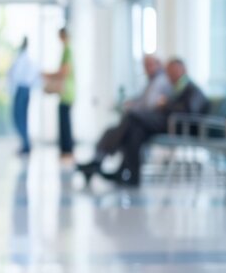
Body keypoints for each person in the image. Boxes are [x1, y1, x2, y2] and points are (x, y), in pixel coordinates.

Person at [77, 58, 209, 186]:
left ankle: (102, 160)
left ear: (182, 69)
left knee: (132, 116)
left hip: (176, 126)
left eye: (172, 70)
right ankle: (129, 175)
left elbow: (189, 111)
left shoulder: (192, 89)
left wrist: (165, 105)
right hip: (167, 122)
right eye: (168, 71)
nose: (169, 74)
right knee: (135, 131)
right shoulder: (176, 88)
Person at [90, 55, 173, 162]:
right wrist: (131, 103)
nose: (148, 68)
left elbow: (149, 104)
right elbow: (142, 100)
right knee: (123, 131)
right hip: (145, 121)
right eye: (146, 66)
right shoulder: (151, 82)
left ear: (158, 65)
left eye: (151, 65)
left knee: (130, 119)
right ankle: (114, 165)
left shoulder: (161, 81)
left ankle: (105, 155)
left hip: (154, 121)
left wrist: (133, 107)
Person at [43, 28, 75, 161]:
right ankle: (65, 151)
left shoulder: (68, 50)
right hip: (66, 93)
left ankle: (67, 151)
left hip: (67, 92)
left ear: (63, 36)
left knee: (65, 123)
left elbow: (64, 71)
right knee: (63, 121)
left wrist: (48, 75)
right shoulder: (66, 50)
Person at [7, 37, 41, 155]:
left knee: (19, 118)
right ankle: (25, 145)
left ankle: (26, 145)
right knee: (22, 118)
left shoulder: (23, 58)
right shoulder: (26, 58)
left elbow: (15, 75)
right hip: (25, 89)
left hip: (21, 89)